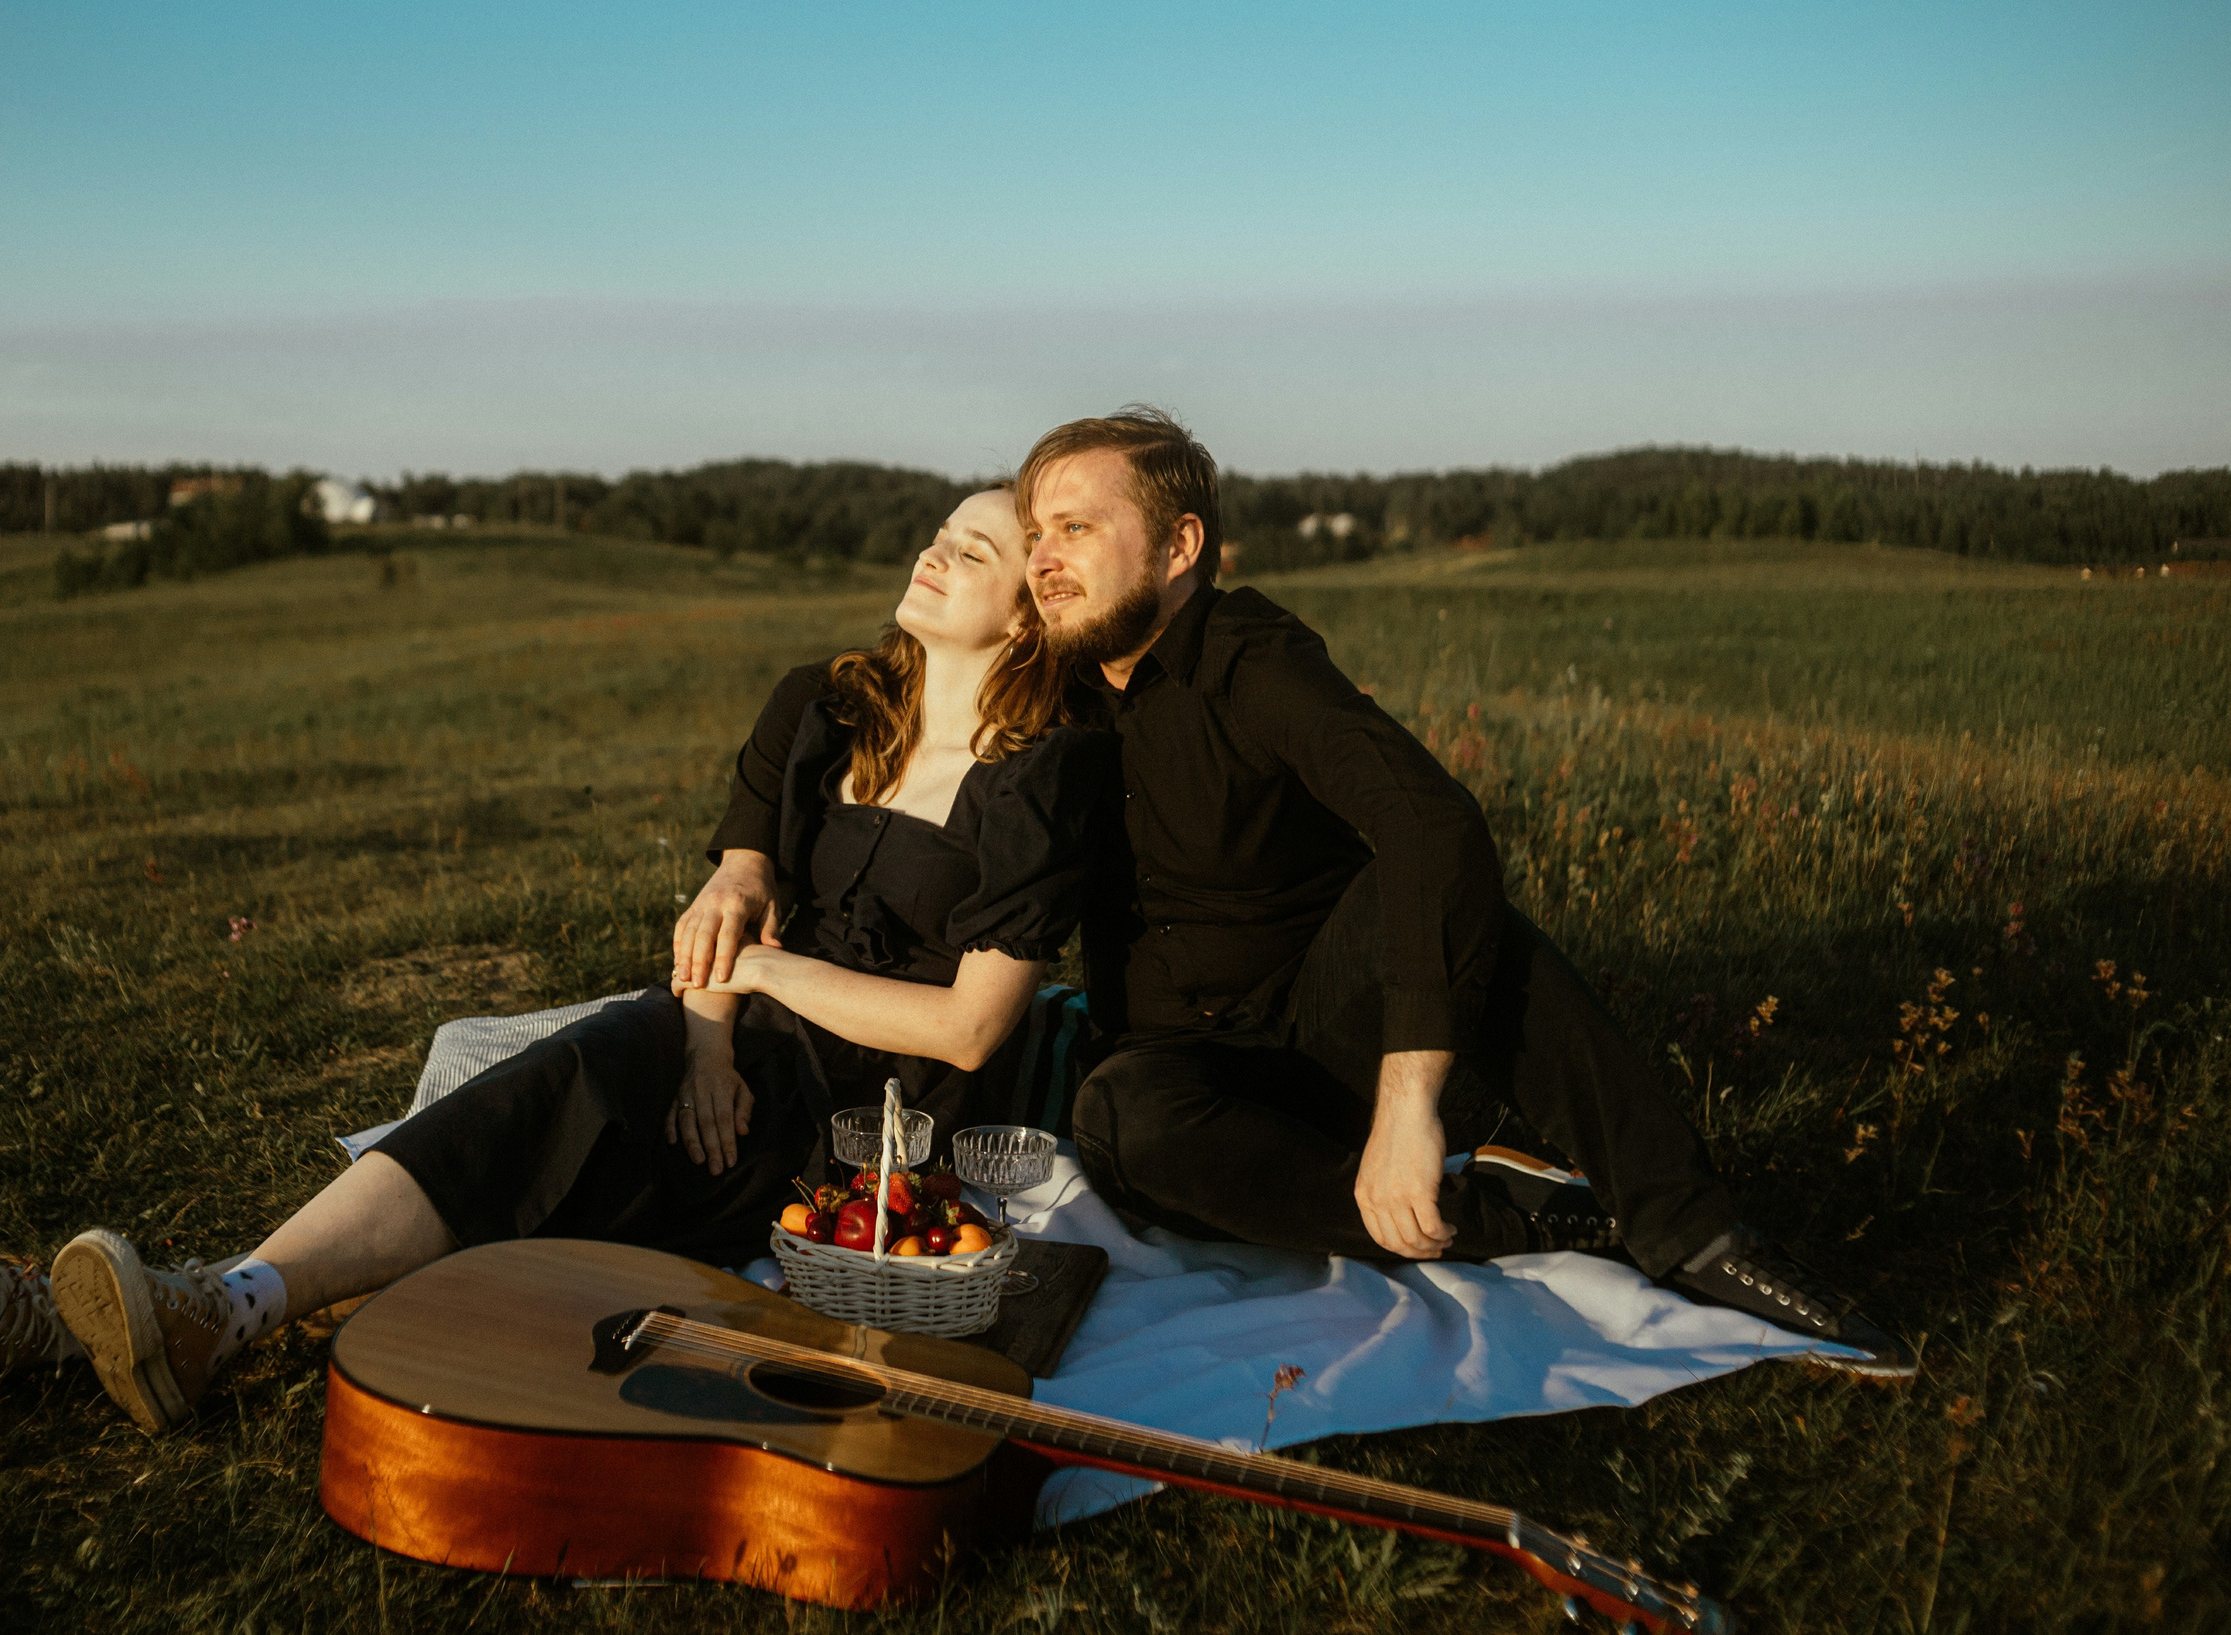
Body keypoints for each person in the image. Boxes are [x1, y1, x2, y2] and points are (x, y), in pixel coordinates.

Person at [693, 409, 1915, 1380]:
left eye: (1075, 527)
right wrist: (747, 863)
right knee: (1121, 1121)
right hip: (1187, 1063)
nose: (1048, 556)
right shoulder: (1044, 697)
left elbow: (1430, 821)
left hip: (1340, 1016)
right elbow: (839, 733)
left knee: (1425, 878)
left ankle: (1692, 1229)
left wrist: (1405, 1100)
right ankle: (1529, 1220)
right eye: (1038, 535)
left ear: (1178, 550)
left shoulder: (1250, 657)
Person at [0, 488, 1119, 1431]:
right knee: (560, 1083)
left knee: (561, 1097)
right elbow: (730, 894)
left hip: (872, 1120)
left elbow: (966, 1030)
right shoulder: (825, 704)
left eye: (976, 551)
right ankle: (163, 1310)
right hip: (722, 1045)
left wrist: (755, 985)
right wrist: (705, 1036)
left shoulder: (1039, 774)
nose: (933, 553)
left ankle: (187, 1306)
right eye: (937, 531)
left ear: (1029, 610)